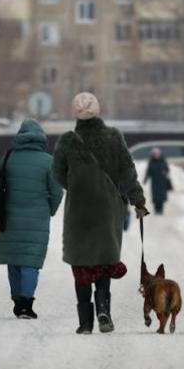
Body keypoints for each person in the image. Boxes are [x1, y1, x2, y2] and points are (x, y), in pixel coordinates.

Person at [53, 92, 148, 334]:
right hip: (108, 208)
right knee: (104, 261)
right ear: (98, 110)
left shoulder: (67, 141)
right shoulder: (113, 137)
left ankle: (85, 323)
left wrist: (75, 186)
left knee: (81, 263)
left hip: (79, 210)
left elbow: (57, 174)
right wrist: (137, 201)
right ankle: (103, 309)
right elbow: (128, 171)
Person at [0, 120, 64, 319]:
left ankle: (17, 300)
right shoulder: (48, 161)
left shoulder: (8, 158)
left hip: (10, 217)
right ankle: (26, 302)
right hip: (37, 219)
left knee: (14, 260)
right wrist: (49, 210)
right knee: (30, 262)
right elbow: (57, 192)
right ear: (41, 139)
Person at [144, 148, 172, 215]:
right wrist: (146, 179)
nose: (156, 155)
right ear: (153, 155)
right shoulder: (151, 162)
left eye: (158, 154)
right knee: (155, 196)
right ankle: (156, 209)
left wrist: (165, 171)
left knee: (161, 196)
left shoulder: (163, 161)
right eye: (155, 154)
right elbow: (148, 171)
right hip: (155, 182)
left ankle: (161, 209)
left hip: (162, 181)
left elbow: (167, 169)